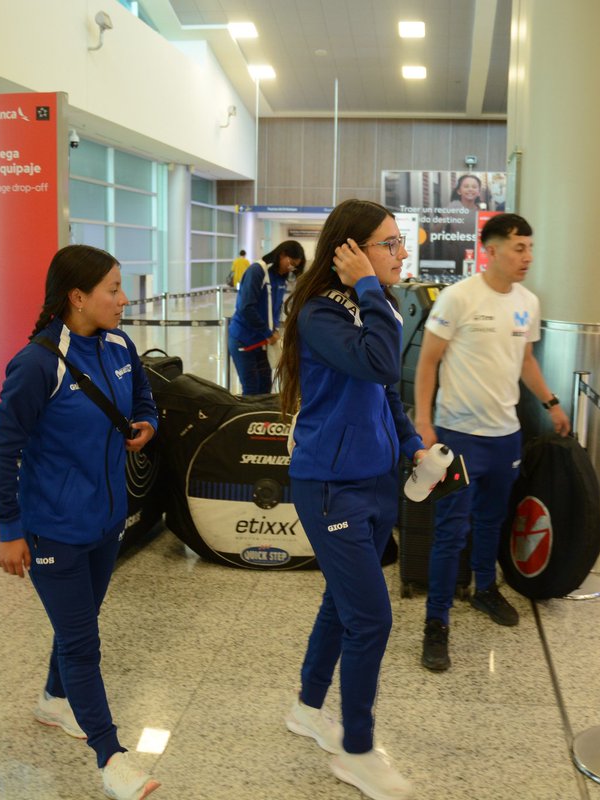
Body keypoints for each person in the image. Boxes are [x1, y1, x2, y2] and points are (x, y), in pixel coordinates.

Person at [0, 244, 160, 800]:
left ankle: (54, 701)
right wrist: (9, 530)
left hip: (107, 522)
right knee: (84, 642)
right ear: (76, 297)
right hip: (53, 527)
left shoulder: (119, 343)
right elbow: (1, 451)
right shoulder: (37, 363)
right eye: (112, 288)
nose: (123, 298)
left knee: (79, 622)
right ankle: (111, 758)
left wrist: (146, 425)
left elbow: (146, 401)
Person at [278, 199, 425, 800]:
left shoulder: (372, 304)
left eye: (398, 242)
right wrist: (367, 285)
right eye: (389, 243)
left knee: (342, 606)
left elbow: (382, 389)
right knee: (372, 618)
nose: (401, 252)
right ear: (352, 251)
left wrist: (412, 444)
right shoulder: (320, 314)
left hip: (374, 480)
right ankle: (358, 752)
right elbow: (383, 359)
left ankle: (308, 707)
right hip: (331, 486)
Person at [414, 213, 570, 672]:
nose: (528, 257)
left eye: (530, 248)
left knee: (491, 521)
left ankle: (484, 589)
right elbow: (427, 364)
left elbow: (525, 361)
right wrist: (424, 423)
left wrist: (552, 403)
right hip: (458, 436)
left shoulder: (527, 302)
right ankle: (436, 622)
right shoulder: (457, 297)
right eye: (519, 248)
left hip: (506, 437)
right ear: (492, 249)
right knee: (449, 531)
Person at [228, 239, 305, 395]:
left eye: (295, 266)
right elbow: (246, 307)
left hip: (263, 342)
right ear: (282, 255)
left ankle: (263, 420)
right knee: (251, 388)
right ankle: (249, 419)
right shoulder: (258, 271)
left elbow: (273, 308)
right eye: (291, 263)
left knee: (265, 388)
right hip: (244, 339)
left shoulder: (281, 277)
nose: (291, 268)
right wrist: (268, 332)